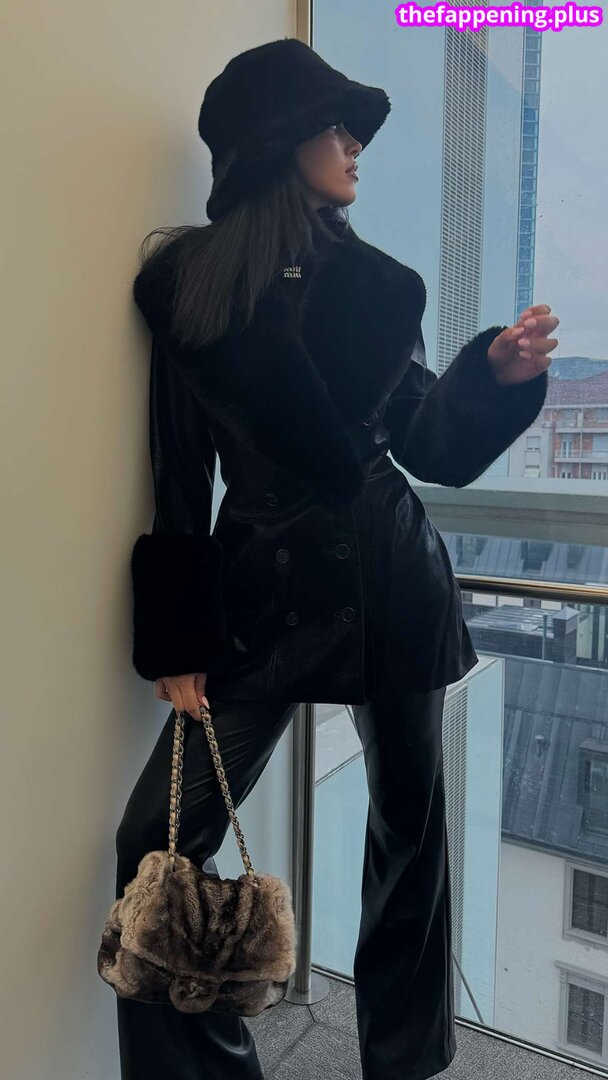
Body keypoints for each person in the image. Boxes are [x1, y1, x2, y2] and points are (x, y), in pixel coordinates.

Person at [114, 37, 559, 1080]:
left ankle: (402, 1063)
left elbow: (428, 446)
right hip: (260, 596)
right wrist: (177, 633)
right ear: (276, 142)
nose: (356, 146)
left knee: (410, 839)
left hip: (392, 580)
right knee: (155, 840)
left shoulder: (379, 289)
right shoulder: (192, 287)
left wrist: (490, 378)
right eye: (335, 126)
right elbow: (178, 469)